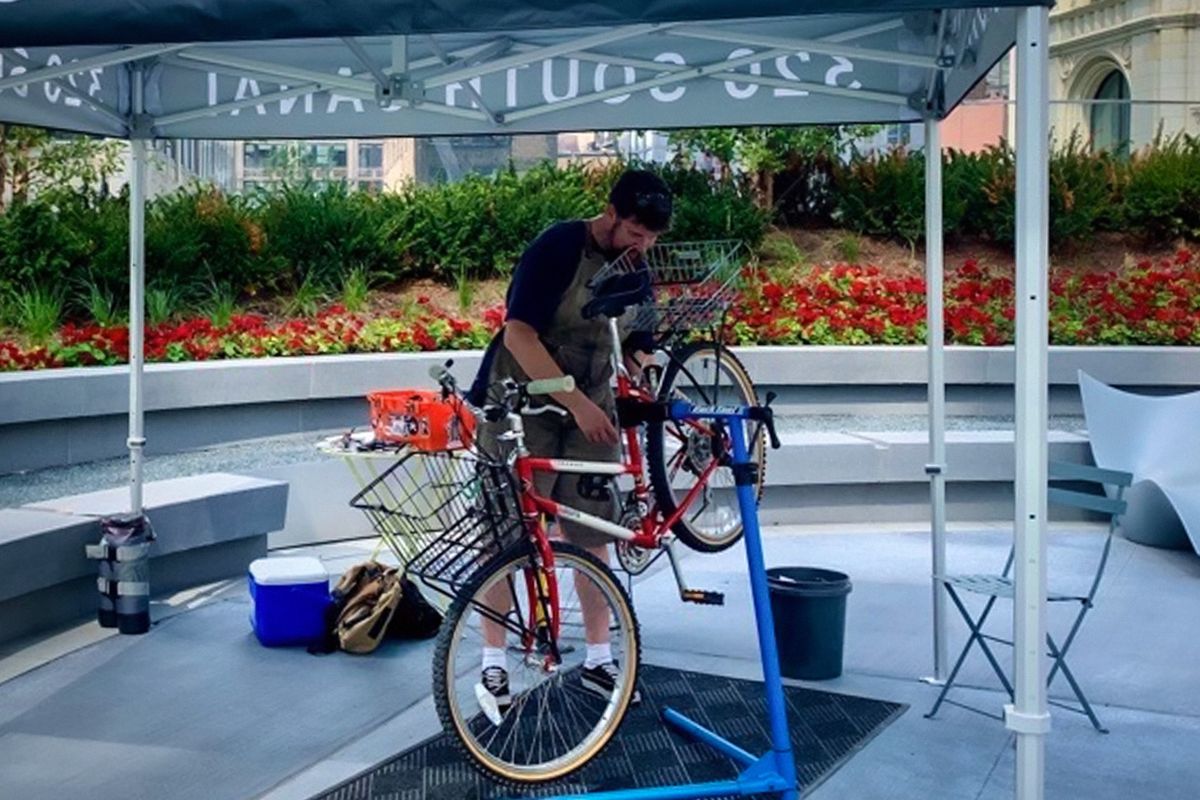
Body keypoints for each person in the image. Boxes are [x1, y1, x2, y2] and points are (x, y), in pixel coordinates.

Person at [467, 169, 673, 716]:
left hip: (592, 411)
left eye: (651, 239)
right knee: (505, 537)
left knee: (592, 529)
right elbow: (518, 332)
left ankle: (599, 659)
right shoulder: (558, 246)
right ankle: (493, 663)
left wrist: (641, 369)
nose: (642, 246)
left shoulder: (637, 262)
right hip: (523, 401)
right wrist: (576, 403)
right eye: (635, 233)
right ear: (611, 213)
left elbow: (640, 337)